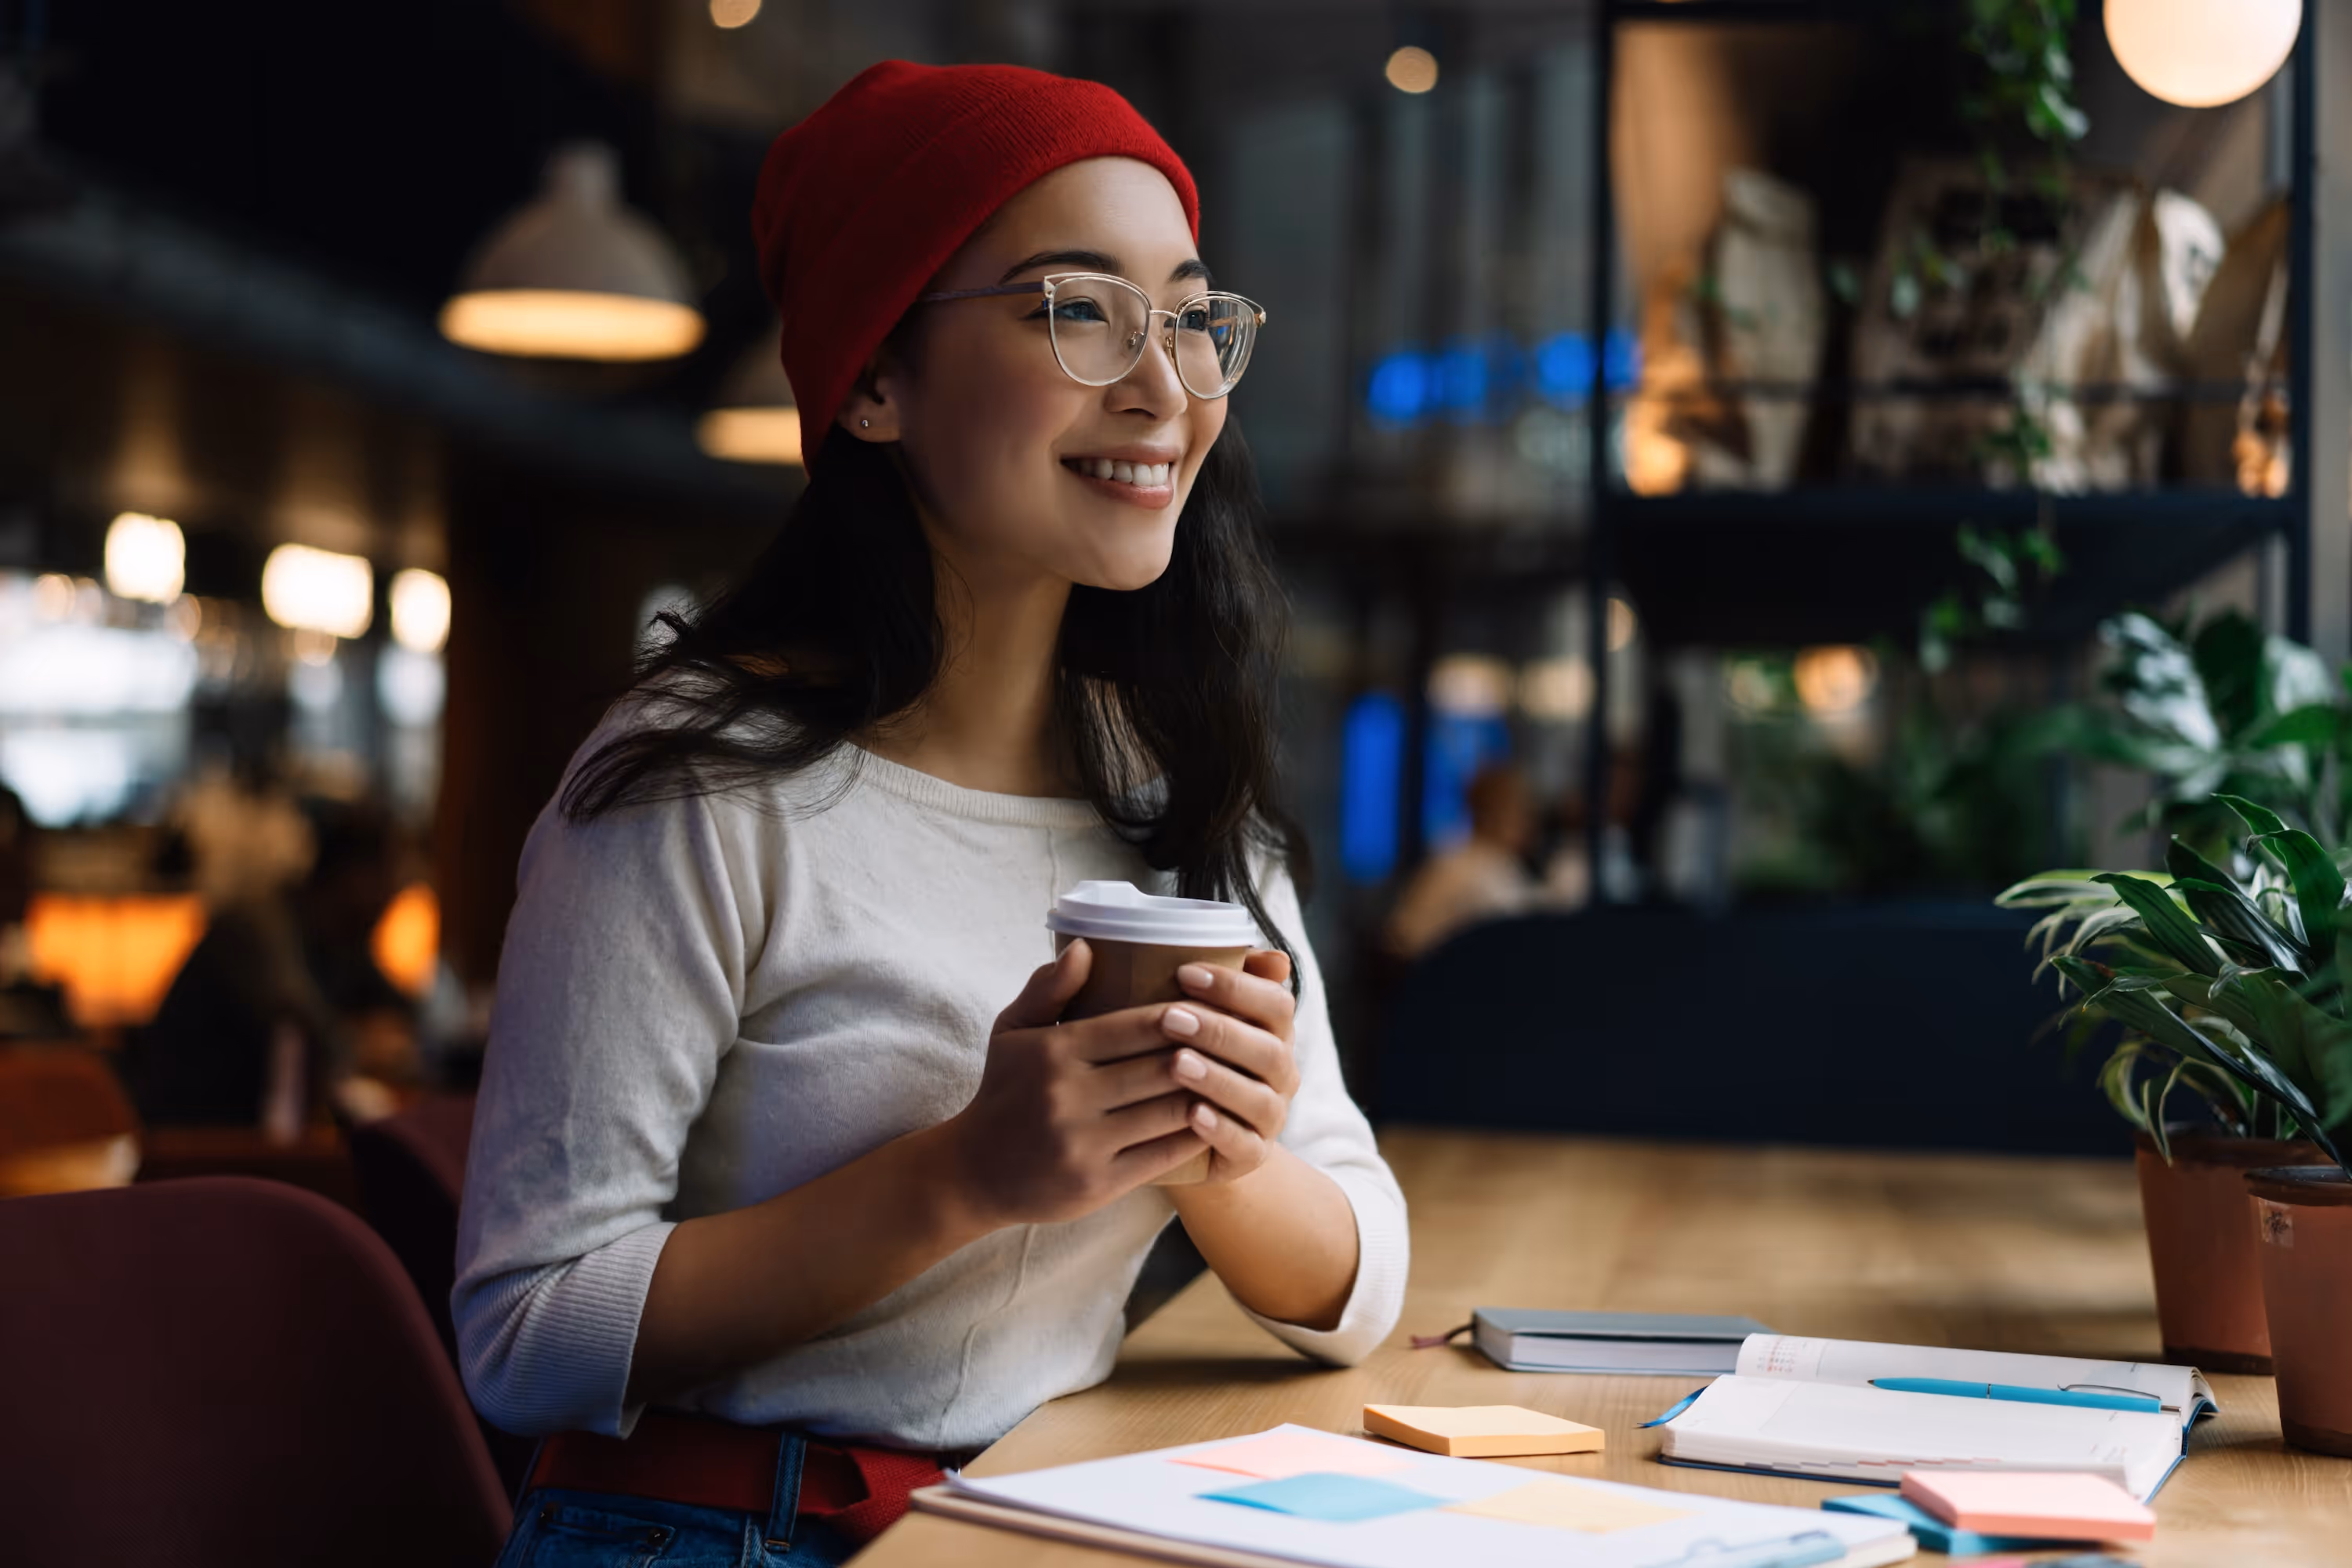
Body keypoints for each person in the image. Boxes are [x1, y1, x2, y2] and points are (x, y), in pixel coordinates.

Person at [454, 62, 1407, 1568]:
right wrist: (967, 1175)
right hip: (705, 1530)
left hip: (1032, 1519)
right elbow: (525, 1334)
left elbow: (1360, 1285)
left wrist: (1219, 1156)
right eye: (1078, 310)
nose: (1166, 387)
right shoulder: (698, 785)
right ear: (877, 380)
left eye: (1192, 316)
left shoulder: (1177, 796)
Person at [127, 797, 414, 1131]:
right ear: (353, 876)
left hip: (253, 1146)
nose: (395, 893)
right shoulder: (258, 925)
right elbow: (299, 1025)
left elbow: (404, 1011)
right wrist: (361, 1043)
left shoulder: (341, 940)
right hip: (192, 1144)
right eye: (390, 876)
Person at [1383, 762, 1538, 960]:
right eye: (1522, 811)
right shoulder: (1481, 870)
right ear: (1497, 813)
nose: (1529, 823)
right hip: (1427, 978)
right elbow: (1523, 931)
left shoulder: (1454, 853)